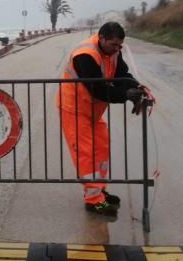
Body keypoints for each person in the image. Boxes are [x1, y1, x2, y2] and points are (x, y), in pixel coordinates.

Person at [56, 21, 148, 214]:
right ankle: (93, 200)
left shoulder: (114, 52)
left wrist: (136, 87)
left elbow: (121, 75)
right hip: (73, 109)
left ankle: (100, 190)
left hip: (92, 111)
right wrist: (125, 95)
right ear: (101, 38)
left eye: (120, 45)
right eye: (114, 44)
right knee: (86, 153)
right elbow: (98, 90)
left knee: (101, 147)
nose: (117, 48)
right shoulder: (85, 56)